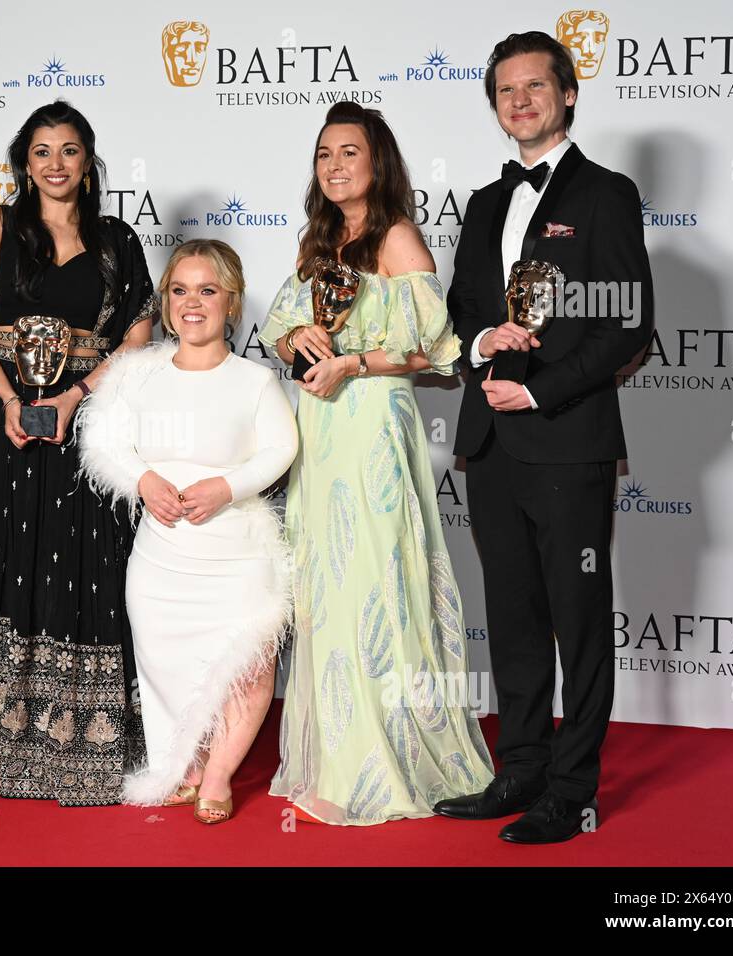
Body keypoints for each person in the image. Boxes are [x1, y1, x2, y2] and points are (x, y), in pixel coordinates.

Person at [433, 32, 653, 844]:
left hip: (568, 441)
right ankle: (520, 768)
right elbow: (462, 312)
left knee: (579, 620)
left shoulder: (607, 193)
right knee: (515, 620)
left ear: (567, 95)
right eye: (505, 92)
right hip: (490, 445)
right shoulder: (485, 203)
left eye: (535, 87)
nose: (519, 101)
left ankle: (574, 790)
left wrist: (539, 387)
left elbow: (629, 323)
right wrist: (485, 344)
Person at [261, 101, 494, 826]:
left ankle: (385, 757)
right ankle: (336, 755)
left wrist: (354, 364)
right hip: (320, 435)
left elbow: (438, 353)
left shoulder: (397, 239)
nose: (334, 167)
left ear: (378, 162)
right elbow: (277, 332)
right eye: (325, 155)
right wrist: (299, 334)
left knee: (376, 584)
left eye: (349, 153)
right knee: (326, 590)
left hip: (371, 428)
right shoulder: (318, 241)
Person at [0, 101, 157, 806]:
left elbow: (139, 332)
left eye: (69, 150)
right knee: (3, 565)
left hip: (85, 432)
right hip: (4, 434)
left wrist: (73, 397)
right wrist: (5, 400)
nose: (55, 165)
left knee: (83, 572)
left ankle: (79, 746)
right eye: (41, 152)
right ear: (23, 162)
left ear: (88, 161)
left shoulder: (117, 238)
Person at [77, 240, 297, 823]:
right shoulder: (138, 375)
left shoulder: (255, 381)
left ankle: (218, 775)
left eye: (207, 290)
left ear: (231, 301)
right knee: (164, 663)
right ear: (165, 300)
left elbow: (282, 447)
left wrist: (226, 488)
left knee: (249, 667)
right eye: (179, 290)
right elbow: (105, 442)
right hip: (161, 557)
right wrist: (144, 480)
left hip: (238, 555)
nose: (191, 303)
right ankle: (186, 765)